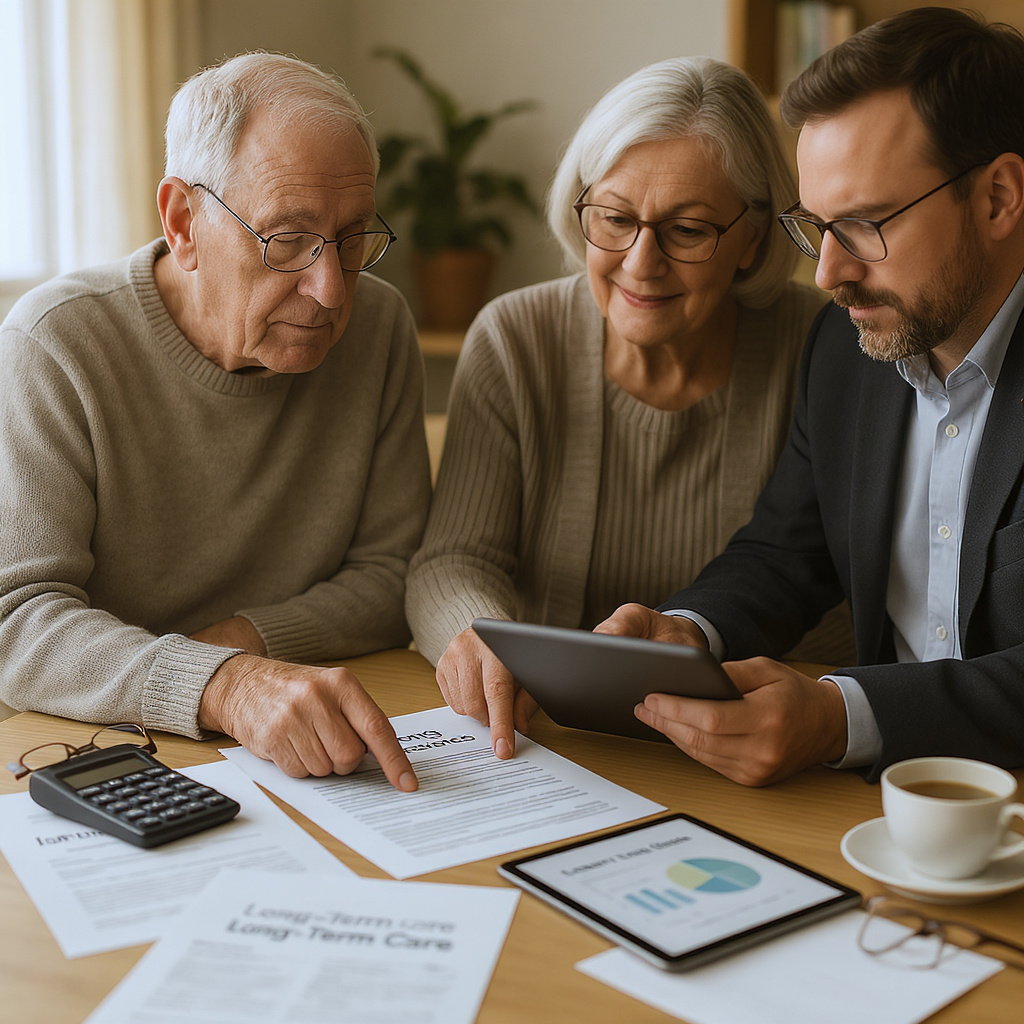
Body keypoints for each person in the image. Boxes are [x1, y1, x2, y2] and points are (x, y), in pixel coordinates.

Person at [599, 7, 1024, 786]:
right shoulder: (847, 348)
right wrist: (688, 632)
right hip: (876, 812)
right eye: (816, 226)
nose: (828, 273)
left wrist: (840, 716)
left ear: (999, 196)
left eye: (863, 223)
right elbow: (784, 553)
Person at [0, 53, 431, 789]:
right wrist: (224, 684)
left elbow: (396, 574)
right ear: (184, 222)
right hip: (99, 748)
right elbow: (18, 622)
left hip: (295, 732)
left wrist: (240, 647)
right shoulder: (56, 344)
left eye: (353, 236)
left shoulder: (380, 326)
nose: (331, 289)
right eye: (287, 239)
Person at [406, 56, 851, 760]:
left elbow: (827, 590)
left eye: (688, 230)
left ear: (754, 237)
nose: (641, 263)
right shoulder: (516, 337)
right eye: (614, 219)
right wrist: (484, 637)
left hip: (765, 744)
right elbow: (453, 559)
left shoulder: (827, 347)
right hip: (554, 739)